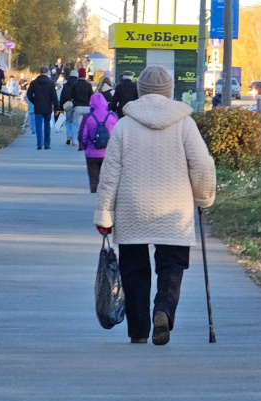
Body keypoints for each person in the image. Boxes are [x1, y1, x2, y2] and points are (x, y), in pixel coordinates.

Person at [94, 66, 216, 345]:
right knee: (171, 266)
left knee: (134, 270)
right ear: (170, 91)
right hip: (175, 208)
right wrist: (203, 197)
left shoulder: (124, 125)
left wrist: (104, 213)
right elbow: (202, 165)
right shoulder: (185, 124)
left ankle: (138, 331)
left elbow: (109, 172)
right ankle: (163, 310)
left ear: (140, 91)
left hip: (132, 206)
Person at [77, 93, 118, 192]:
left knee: (94, 179)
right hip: (108, 153)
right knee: (107, 180)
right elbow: (118, 134)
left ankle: (94, 197)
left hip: (91, 154)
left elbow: (82, 136)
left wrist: (84, 146)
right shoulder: (112, 116)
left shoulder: (88, 117)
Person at [26, 66, 58, 150]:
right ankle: (47, 144)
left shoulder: (34, 83)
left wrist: (35, 101)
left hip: (38, 106)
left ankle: (39, 144)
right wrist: (56, 108)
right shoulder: (51, 83)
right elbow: (54, 96)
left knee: (38, 126)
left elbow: (29, 94)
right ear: (47, 72)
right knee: (47, 125)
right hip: (47, 107)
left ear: (40, 72)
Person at [60, 70, 94, 147]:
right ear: (85, 75)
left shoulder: (75, 85)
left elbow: (72, 95)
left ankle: (75, 140)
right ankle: (86, 140)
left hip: (77, 107)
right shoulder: (88, 85)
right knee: (86, 124)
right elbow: (91, 96)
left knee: (75, 124)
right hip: (87, 107)